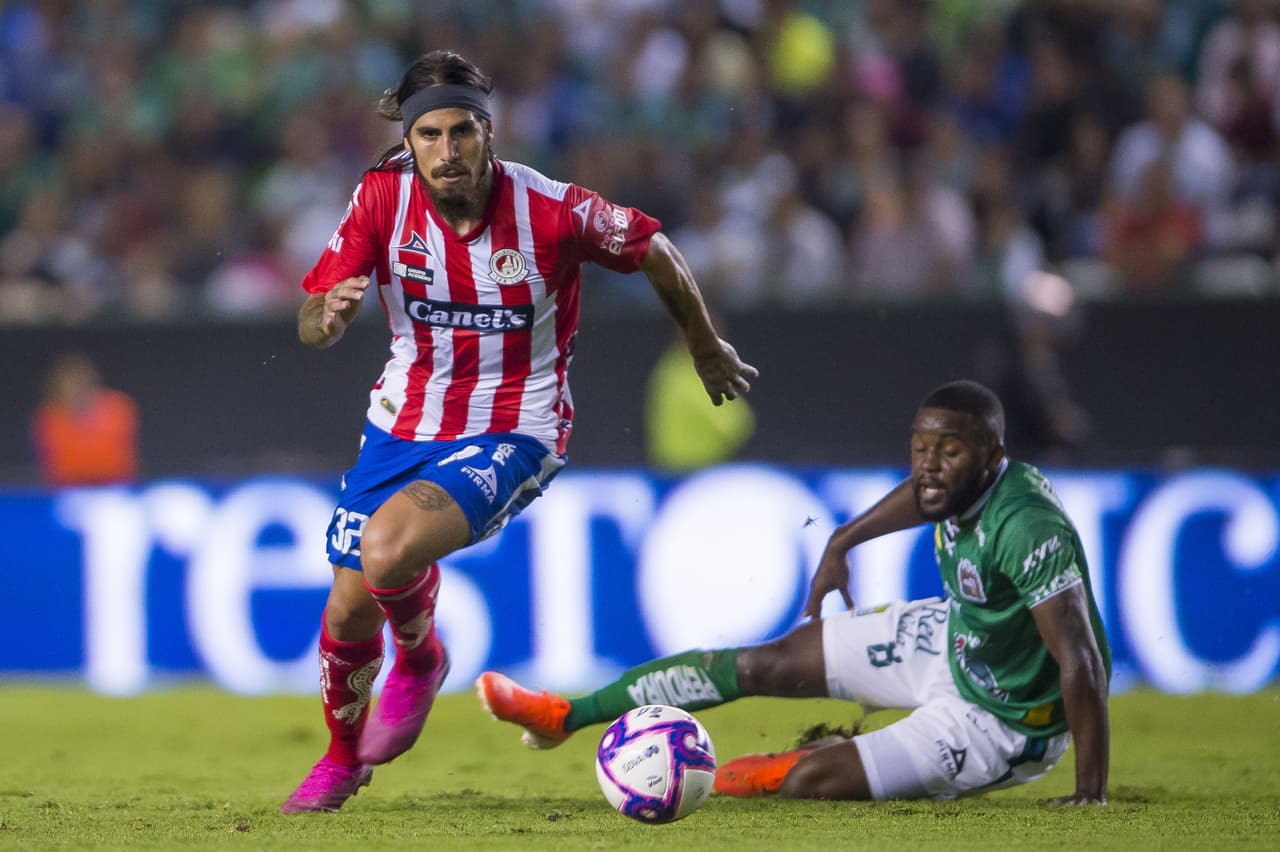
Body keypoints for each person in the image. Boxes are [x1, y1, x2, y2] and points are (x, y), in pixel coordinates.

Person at [280, 50, 758, 814]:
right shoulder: (380, 198)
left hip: (516, 426)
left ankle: (419, 656)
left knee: (386, 551)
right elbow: (312, 317)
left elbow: (656, 250)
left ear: (488, 132)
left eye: (461, 132)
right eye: (429, 135)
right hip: (402, 421)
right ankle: (342, 758)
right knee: (346, 610)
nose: (446, 150)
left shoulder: (552, 209)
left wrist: (704, 347)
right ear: (409, 141)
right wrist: (326, 318)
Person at [478, 380, 1111, 805]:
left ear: (993, 456)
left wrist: (1091, 791)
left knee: (810, 781)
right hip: (954, 638)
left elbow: (1080, 658)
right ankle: (565, 716)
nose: (929, 465)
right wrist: (842, 541)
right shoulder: (952, 481)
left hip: (1004, 720)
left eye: (950, 451)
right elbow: (924, 496)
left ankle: (793, 762)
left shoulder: (1026, 526)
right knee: (767, 662)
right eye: (921, 447)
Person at [30, 352, 140, 486]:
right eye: (69, 382)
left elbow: (118, 459)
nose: (76, 387)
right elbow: (59, 466)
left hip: (115, 488)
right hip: (68, 489)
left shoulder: (118, 406)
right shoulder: (48, 418)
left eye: (80, 380)